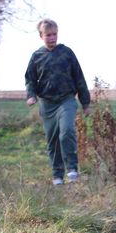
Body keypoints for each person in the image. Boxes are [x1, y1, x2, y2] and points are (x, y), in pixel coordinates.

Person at [24, 19, 91, 185]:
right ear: (41, 36)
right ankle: (57, 175)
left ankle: (72, 170)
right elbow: (30, 79)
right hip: (47, 103)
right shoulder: (37, 56)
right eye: (48, 35)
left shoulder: (67, 53)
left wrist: (86, 103)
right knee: (52, 139)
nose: (52, 37)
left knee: (67, 131)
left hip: (66, 100)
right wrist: (31, 95)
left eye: (54, 34)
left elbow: (79, 78)